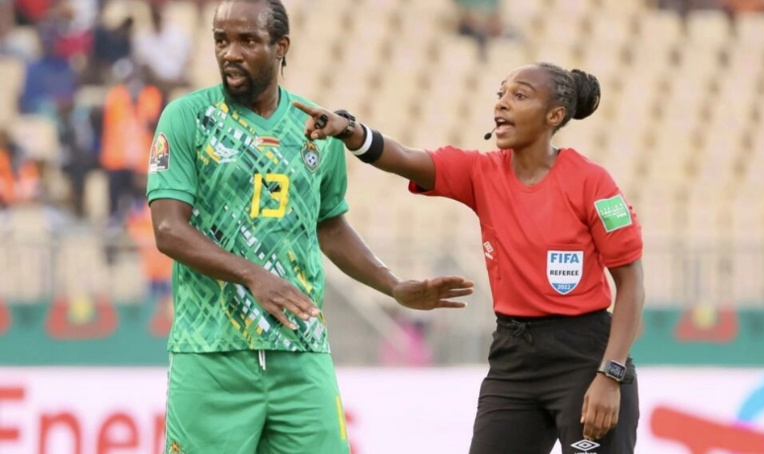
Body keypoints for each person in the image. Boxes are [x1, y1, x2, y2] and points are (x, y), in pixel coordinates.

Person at [146, 1, 474, 453]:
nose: (230, 53)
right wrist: (253, 274)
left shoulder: (318, 128)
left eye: (247, 41)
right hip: (211, 352)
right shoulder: (185, 118)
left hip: (302, 351)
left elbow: (331, 227)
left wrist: (394, 286)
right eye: (221, 40)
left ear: (281, 47)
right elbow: (168, 230)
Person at [294, 62, 645, 453]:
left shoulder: (592, 182)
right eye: (501, 94)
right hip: (514, 356)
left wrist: (610, 375)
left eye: (520, 95)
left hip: (585, 356)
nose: (502, 104)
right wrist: (349, 130)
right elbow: (405, 158)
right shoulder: (481, 172)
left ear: (555, 116)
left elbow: (631, 283)